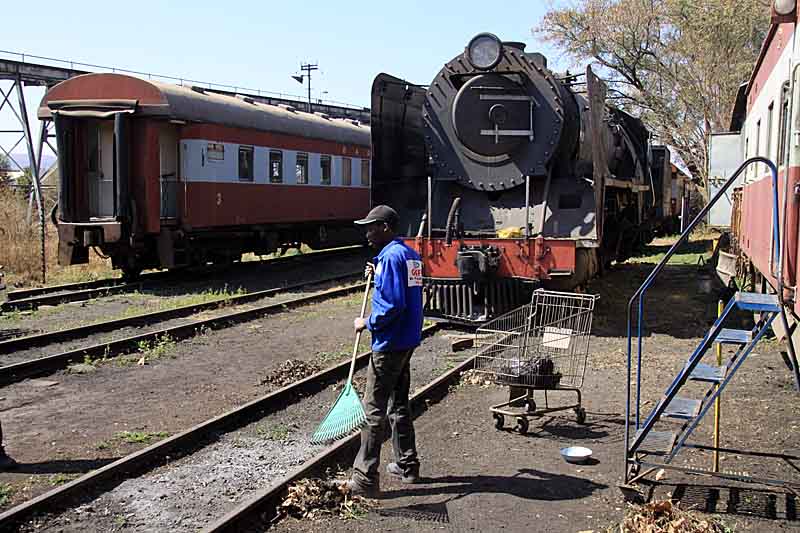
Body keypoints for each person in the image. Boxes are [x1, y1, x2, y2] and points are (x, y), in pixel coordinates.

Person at [340, 205, 424, 498]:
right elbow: (406, 291)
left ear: (385, 227)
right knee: (399, 403)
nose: (367, 233)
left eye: (371, 227)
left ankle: (365, 478)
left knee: (373, 409)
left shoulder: (390, 257)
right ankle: (407, 465)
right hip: (408, 339)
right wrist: (377, 273)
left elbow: (392, 305)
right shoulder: (410, 254)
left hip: (389, 343)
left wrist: (367, 321)